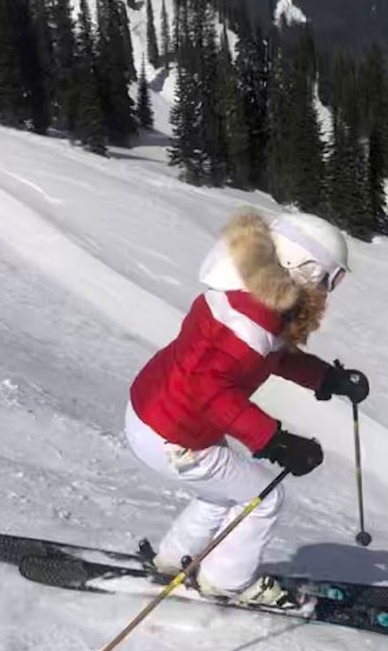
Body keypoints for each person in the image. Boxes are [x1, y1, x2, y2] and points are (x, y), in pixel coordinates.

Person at [123, 209, 371, 607]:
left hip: (161, 416)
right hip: (173, 433)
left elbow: (274, 356)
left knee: (224, 490)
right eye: (328, 278)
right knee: (264, 497)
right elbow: (211, 390)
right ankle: (226, 581)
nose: (327, 291)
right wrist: (275, 441)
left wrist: (328, 379)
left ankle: (173, 560)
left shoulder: (251, 298)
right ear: (301, 266)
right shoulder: (246, 322)